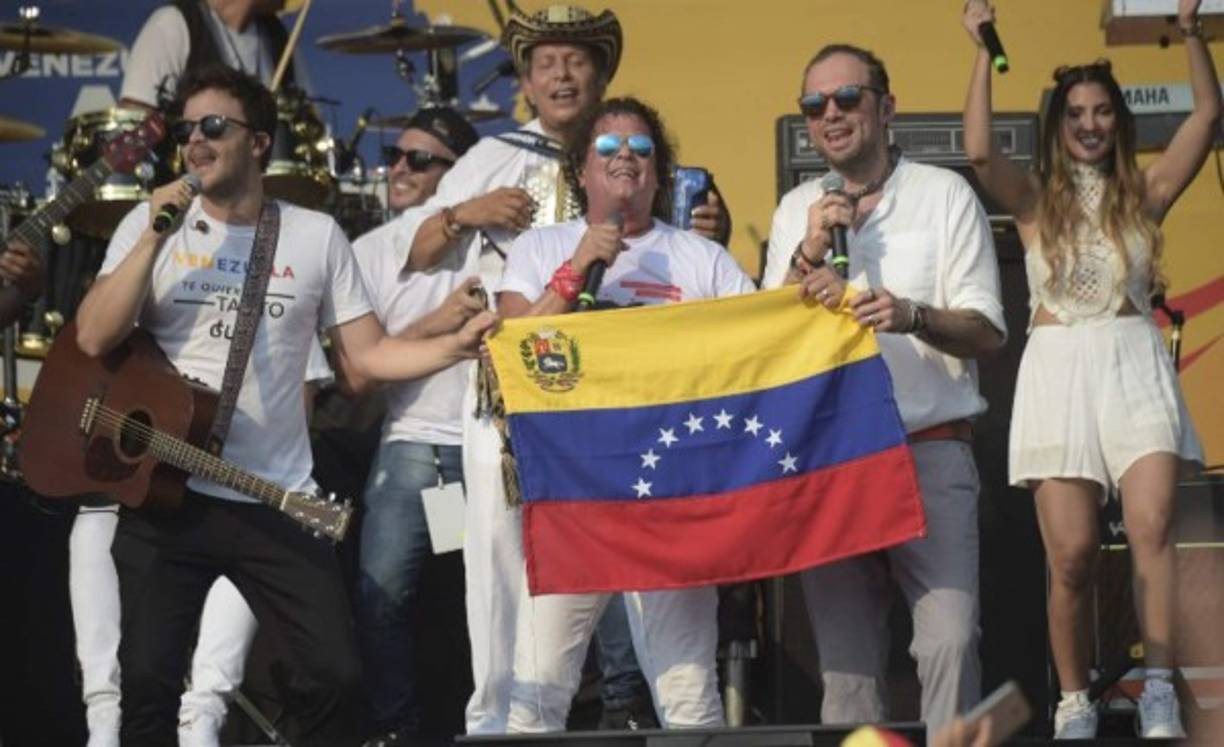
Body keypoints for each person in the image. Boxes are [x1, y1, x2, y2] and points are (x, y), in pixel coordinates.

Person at [70, 64, 493, 747]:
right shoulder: (149, 226)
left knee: (337, 677)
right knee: (146, 682)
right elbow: (93, 334)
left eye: (214, 127)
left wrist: (459, 345)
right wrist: (153, 233)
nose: (195, 143)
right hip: (169, 492)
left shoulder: (314, 235)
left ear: (260, 141)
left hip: (275, 498)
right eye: (185, 131)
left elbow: (369, 358)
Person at [394, 4, 720, 733]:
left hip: (627, 424)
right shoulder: (489, 156)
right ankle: (493, 721)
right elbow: (413, 254)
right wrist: (464, 211)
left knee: (645, 627)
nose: (563, 74)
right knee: (502, 577)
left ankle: (625, 710)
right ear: (527, 83)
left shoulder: (641, 170)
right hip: (514, 408)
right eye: (547, 63)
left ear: (601, 76)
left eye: (577, 61)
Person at [961, 0, 1217, 738]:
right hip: (1059, 371)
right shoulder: (1036, 202)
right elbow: (979, 153)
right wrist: (983, 47)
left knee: (1153, 527)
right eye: (1075, 112)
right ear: (1058, 123)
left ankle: (1159, 687)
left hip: (1133, 363)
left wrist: (1194, 31)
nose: (1090, 124)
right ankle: (1075, 699)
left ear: (1118, 120)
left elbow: (1205, 115)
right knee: (1071, 555)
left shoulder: (1148, 192)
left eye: (1102, 111)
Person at [761, 43, 1006, 733]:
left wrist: (912, 315)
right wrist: (807, 250)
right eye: (814, 105)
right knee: (845, 671)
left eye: (847, 98)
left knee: (950, 640)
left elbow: (988, 330)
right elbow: (767, 340)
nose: (830, 114)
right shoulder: (795, 210)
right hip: (834, 460)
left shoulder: (943, 194)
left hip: (928, 446)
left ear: (886, 107)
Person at [498, 95, 753, 733]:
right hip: (570, 495)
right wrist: (578, 264)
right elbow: (510, 347)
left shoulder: (704, 258)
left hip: (669, 497)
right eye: (607, 149)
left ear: (659, 174)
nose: (625, 159)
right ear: (580, 171)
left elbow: (758, 347)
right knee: (535, 695)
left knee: (689, 695)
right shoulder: (538, 248)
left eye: (641, 149)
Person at [343, 106, 480, 745]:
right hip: (413, 450)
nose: (399, 167)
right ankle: (395, 729)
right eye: (396, 154)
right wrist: (442, 324)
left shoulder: (488, 244)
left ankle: (473, 725)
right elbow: (358, 373)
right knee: (382, 595)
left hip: (480, 450)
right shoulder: (369, 251)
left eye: (420, 159)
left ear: (457, 176)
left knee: (465, 603)